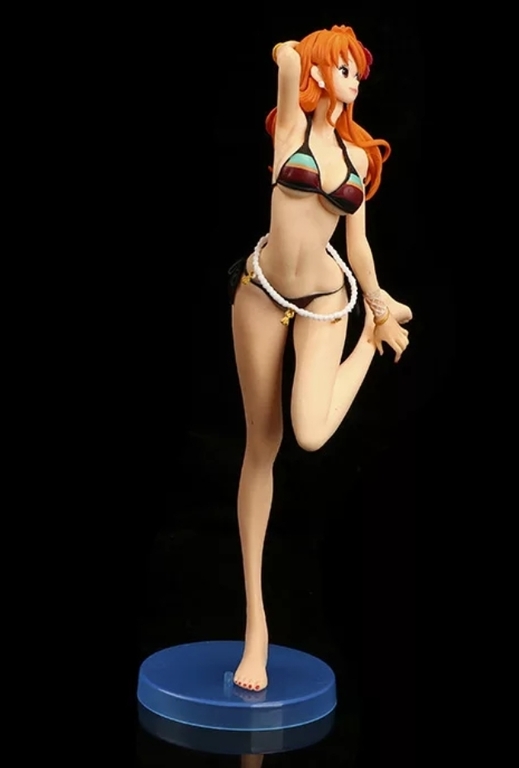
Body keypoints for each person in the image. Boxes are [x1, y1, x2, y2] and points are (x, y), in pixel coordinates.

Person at [227, 25, 412, 692]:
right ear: (321, 71)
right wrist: (297, 55)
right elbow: (282, 59)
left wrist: (375, 304)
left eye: (357, 72)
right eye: (343, 68)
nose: (352, 80)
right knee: (263, 444)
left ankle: (368, 340)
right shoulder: (290, 130)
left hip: (326, 302)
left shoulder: (358, 156)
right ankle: (256, 625)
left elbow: (357, 245)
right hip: (261, 294)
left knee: (309, 434)